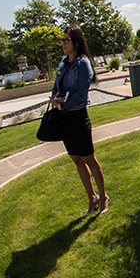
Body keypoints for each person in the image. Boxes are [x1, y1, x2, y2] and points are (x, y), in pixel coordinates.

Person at [50, 25, 108, 216]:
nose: (63, 43)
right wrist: (54, 98)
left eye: (67, 40)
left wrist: (63, 101)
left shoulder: (83, 63)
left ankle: (103, 197)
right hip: (65, 117)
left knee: (89, 158)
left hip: (78, 115)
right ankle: (92, 198)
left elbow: (82, 93)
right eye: (62, 40)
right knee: (76, 159)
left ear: (76, 41)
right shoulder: (63, 63)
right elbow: (56, 86)